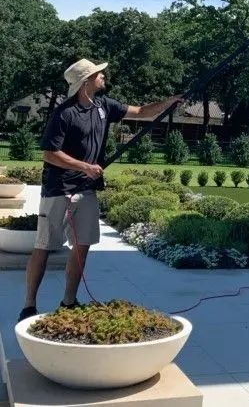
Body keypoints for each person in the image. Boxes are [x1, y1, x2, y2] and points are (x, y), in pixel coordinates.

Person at [19, 58, 182, 321]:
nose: (103, 76)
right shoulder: (65, 113)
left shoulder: (103, 106)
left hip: (88, 189)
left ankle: (69, 302)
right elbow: (50, 153)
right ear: (86, 82)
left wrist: (169, 102)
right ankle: (28, 305)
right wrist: (84, 166)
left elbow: (142, 112)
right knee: (44, 246)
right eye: (98, 74)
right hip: (59, 189)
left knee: (82, 246)